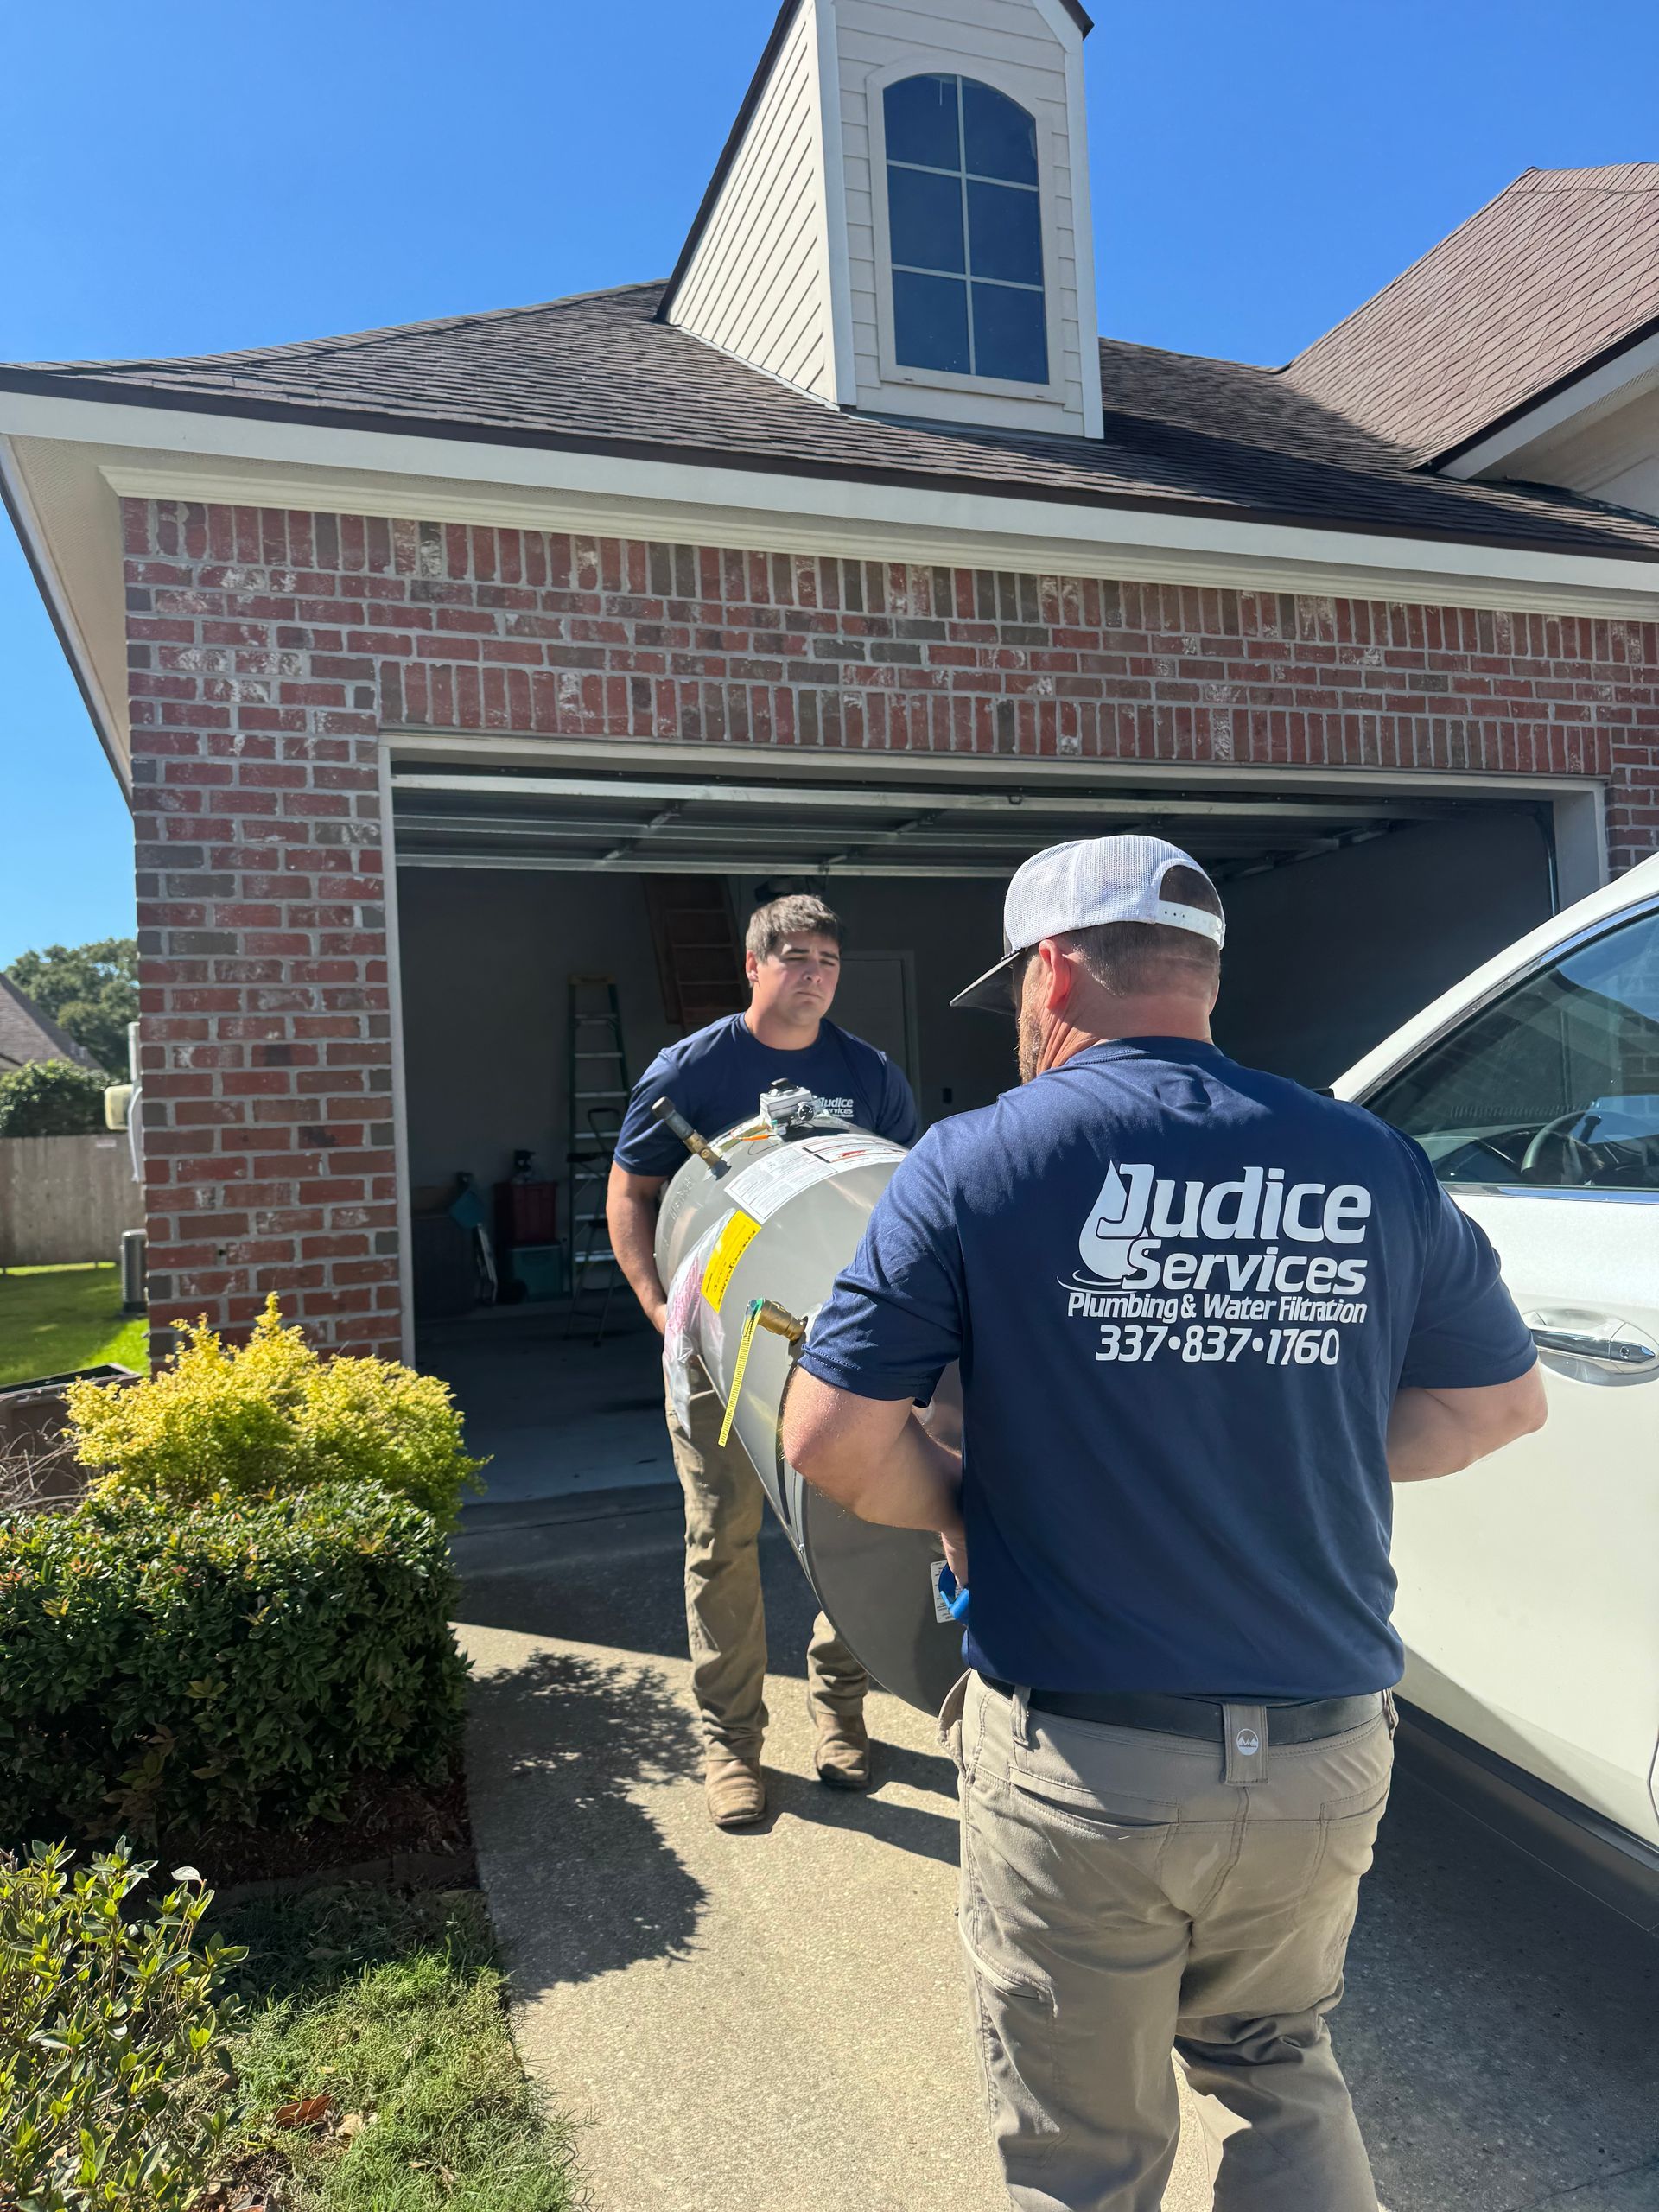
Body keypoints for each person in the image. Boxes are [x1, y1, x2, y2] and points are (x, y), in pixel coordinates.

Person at [783, 835, 1546, 2211]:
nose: (1022, 1015)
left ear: (1057, 968)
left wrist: (964, 1510)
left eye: (1018, 984)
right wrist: (1283, 1450)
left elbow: (831, 1439)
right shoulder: (1367, 1158)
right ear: (1199, 974)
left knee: (1087, 2155)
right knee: (1277, 2059)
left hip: (1090, 1766)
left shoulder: (976, 1161)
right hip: (1322, 1760)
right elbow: (1498, 1409)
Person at [608, 892, 921, 1830]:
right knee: (721, 1538)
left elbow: (898, 1200)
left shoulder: (868, 1073)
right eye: (792, 955)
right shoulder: (695, 1069)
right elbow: (633, 1192)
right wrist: (661, 1308)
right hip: (717, 1345)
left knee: (862, 1526)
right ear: (753, 966)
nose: (812, 971)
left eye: (826, 956)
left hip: (840, 1345)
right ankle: (730, 1743)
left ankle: (842, 1713)